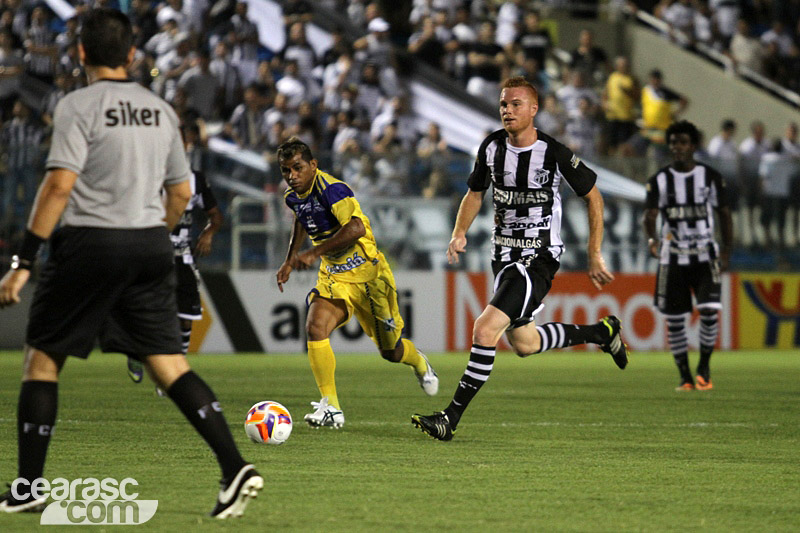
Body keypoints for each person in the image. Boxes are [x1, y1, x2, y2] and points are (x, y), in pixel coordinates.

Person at [0, 9, 260, 518]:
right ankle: (234, 467)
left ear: (80, 54)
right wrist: (154, 235)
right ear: (133, 55)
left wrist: (23, 260)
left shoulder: (76, 105)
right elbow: (183, 192)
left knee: (43, 359)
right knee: (169, 363)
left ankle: (29, 491)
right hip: (148, 246)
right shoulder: (161, 110)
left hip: (90, 244)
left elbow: (58, 186)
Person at [411, 77, 628, 442]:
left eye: (515, 104)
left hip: (537, 259)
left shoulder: (554, 153)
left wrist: (594, 253)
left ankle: (450, 418)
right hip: (503, 257)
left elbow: (594, 196)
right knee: (525, 344)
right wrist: (459, 232)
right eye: (503, 104)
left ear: (533, 109)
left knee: (484, 329)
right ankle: (602, 333)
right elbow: (475, 193)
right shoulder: (492, 147)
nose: (507, 110)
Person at [275, 137, 438, 429]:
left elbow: (356, 227)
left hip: (369, 276)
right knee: (315, 326)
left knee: (391, 352)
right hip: (335, 275)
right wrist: (290, 259)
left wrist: (313, 253)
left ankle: (419, 362)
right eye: (286, 170)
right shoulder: (293, 195)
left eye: (297, 168)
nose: (292, 175)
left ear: (313, 165)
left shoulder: (333, 190)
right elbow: (301, 218)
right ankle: (332, 408)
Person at [127, 119, 224, 383]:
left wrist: (208, 233)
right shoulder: (148, 176)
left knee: (186, 318)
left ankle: (174, 375)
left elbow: (216, 216)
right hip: (152, 252)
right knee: (145, 310)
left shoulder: (197, 180)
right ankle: (136, 351)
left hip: (182, 255)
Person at [643, 120, 733, 392]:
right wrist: (652, 239)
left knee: (708, 312)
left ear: (693, 146)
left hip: (705, 257)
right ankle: (684, 375)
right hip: (673, 259)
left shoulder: (711, 177)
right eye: (673, 144)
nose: (677, 148)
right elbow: (650, 215)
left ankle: (704, 366)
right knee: (675, 319)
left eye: (682, 143)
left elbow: (724, 215)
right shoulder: (659, 180)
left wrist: (727, 249)